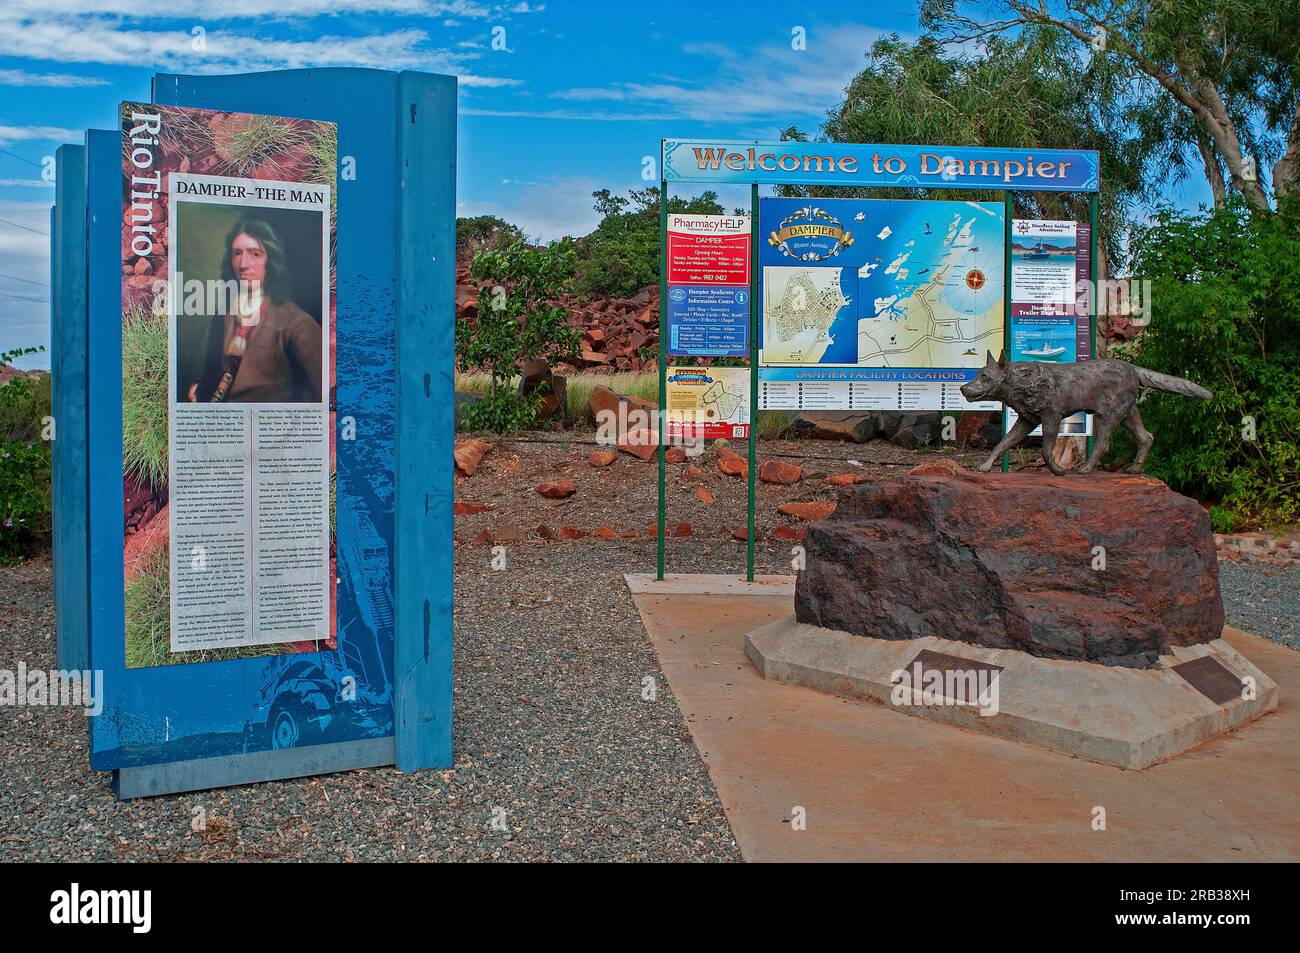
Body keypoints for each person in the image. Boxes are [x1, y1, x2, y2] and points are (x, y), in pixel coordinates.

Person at [190, 218, 322, 403]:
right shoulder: (225, 314)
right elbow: (213, 369)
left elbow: (322, 394)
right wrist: (200, 387)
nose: (243, 264)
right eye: (237, 253)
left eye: (255, 254)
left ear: (271, 261)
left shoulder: (298, 323)